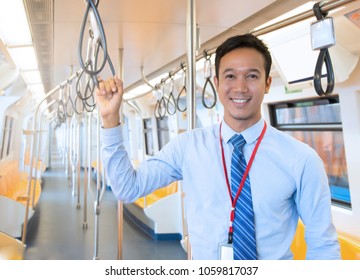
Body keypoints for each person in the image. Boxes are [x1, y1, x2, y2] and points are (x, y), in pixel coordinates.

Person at [95, 33, 341, 260]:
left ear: (267, 83)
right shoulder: (188, 147)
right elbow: (127, 188)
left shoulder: (301, 159)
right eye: (230, 76)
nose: (240, 87)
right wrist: (110, 119)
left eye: (252, 76)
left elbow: (323, 245)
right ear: (216, 81)